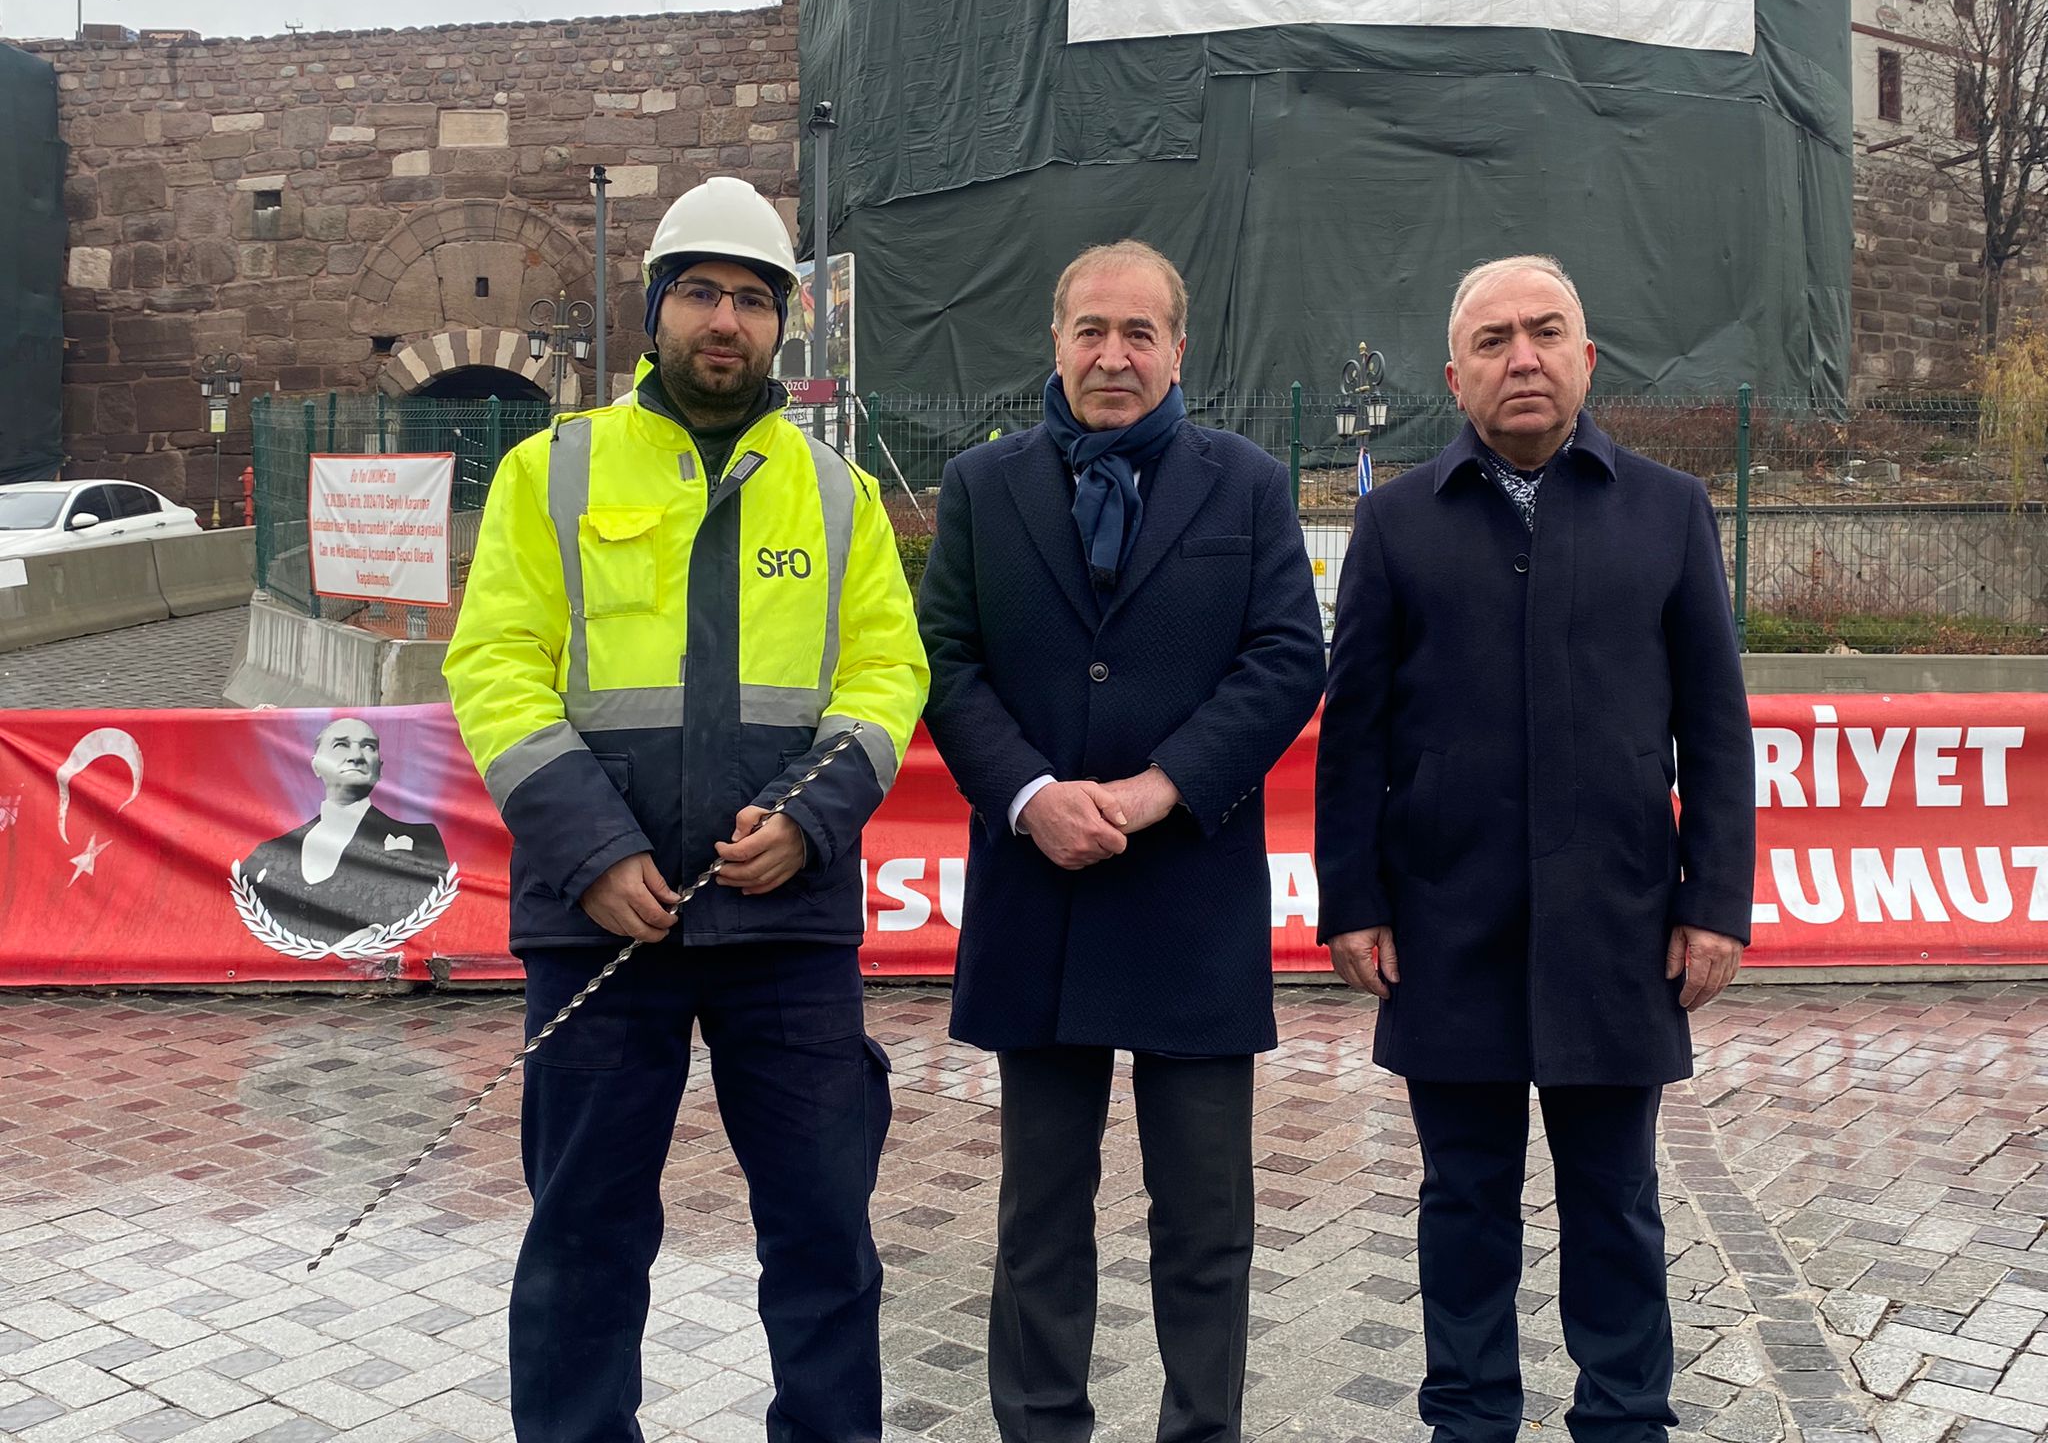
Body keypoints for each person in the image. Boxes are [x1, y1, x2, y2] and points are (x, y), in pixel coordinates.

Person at [443, 175, 929, 1443]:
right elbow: (493, 667)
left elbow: (887, 675)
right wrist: (593, 850)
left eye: (753, 300)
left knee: (823, 1237)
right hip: (599, 924)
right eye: (701, 293)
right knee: (584, 1242)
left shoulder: (836, 492)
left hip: (788, 926)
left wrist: (808, 819)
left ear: (781, 325)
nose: (726, 320)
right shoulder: (551, 473)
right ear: (655, 309)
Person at [1316, 255, 1756, 1443]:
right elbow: (1351, 735)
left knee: (1615, 1202)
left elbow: (1715, 728)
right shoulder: (1394, 522)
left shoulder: (1667, 510)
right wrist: (1349, 900)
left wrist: (1713, 901)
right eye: (1493, 339)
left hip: (1617, 926)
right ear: (1452, 377)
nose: (1522, 357)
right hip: (1445, 925)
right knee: (1462, 1202)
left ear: (1585, 358)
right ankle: (1467, 1418)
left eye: (1545, 332)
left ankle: (1624, 1416)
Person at [918, 241, 1325, 1443]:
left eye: (1137, 333)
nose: (1112, 355)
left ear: (1176, 350)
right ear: (1054, 341)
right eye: (1090, 330)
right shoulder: (981, 486)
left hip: (1187, 898)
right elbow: (943, 660)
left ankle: (1201, 1430)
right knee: (1039, 1217)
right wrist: (1029, 793)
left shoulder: (1244, 484)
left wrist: (1160, 789)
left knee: (1205, 1221)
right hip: (1035, 898)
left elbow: (1285, 658)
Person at [239, 716, 448, 945]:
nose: (356, 756)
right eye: (341, 745)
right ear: (316, 765)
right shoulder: (269, 854)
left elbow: (440, 922)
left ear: (380, 768)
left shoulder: (421, 841)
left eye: (369, 747)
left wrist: (376, 935)